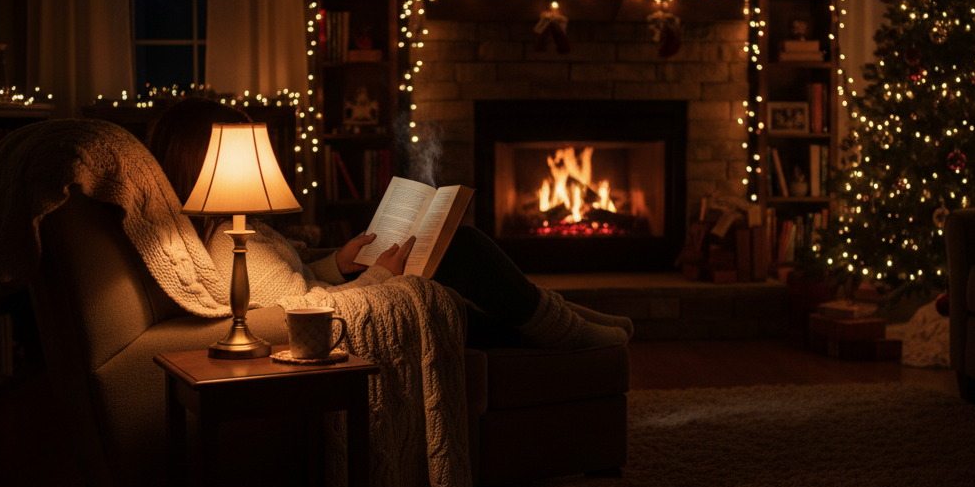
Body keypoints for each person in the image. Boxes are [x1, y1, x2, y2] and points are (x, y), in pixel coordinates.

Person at [147, 97, 632, 349]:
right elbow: (301, 308)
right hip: (362, 318)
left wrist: (339, 261)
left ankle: (561, 317)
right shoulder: (235, 247)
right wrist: (382, 276)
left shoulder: (233, 233)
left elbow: (295, 281)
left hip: (357, 292)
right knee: (459, 252)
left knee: (457, 254)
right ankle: (563, 328)